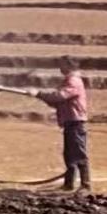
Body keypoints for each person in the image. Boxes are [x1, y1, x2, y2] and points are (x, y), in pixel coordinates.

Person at [39, 55, 90, 192]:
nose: (60, 68)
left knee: (79, 153)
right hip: (70, 121)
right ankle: (69, 184)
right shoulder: (69, 80)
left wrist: (40, 94)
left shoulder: (73, 81)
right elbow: (56, 100)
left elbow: (60, 96)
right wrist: (41, 96)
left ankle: (85, 184)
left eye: (62, 65)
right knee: (69, 154)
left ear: (69, 65)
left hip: (76, 122)